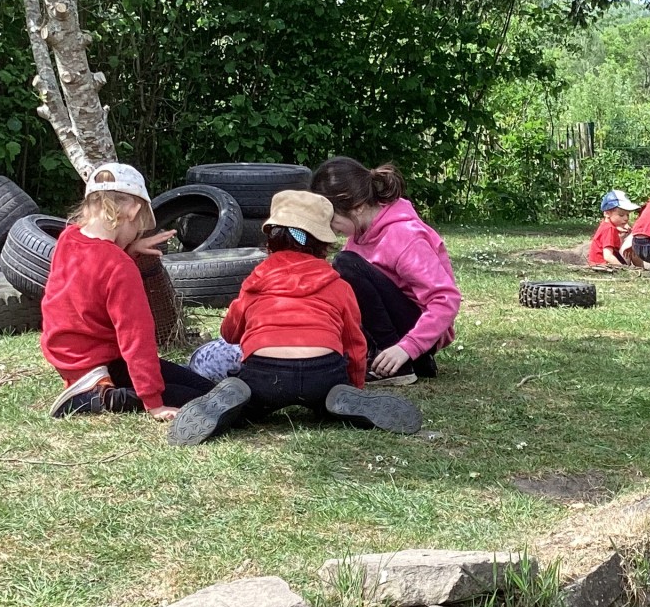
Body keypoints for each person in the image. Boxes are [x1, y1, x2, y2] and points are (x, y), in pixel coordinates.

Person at [168, 191, 423, 445]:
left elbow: (230, 333)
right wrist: (353, 384)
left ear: (270, 240)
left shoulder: (257, 280)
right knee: (326, 403)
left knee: (249, 407)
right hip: (323, 373)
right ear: (323, 244)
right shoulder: (337, 284)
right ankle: (335, 400)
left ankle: (239, 400)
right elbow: (355, 343)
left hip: (266, 375)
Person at [41, 163, 217, 419]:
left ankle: (89, 386)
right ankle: (94, 398)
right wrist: (154, 403)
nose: (137, 234)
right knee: (208, 396)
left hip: (68, 357)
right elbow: (137, 339)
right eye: (138, 227)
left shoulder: (69, 238)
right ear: (133, 211)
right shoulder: (119, 267)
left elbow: (92, 279)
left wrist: (128, 250)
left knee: (200, 387)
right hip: (102, 363)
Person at [309, 157, 460, 386]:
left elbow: (446, 299)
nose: (329, 227)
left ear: (357, 207)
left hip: (415, 334)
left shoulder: (404, 235)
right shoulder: (358, 236)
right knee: (340, 274)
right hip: (396, 331)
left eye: (331, 219)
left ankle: (397, 364)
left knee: (346, 264)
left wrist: (407, 347)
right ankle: (381, 357)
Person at [589, 190, 640, 267]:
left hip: (599, 264)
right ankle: (642, 270)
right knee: (634, 248)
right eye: (621, 215)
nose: (626, 218)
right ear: (607, 213)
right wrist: (624, 269)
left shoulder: (607, 225)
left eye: (627, 215)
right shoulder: (609, 229)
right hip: (603, 265)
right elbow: (607, 256)